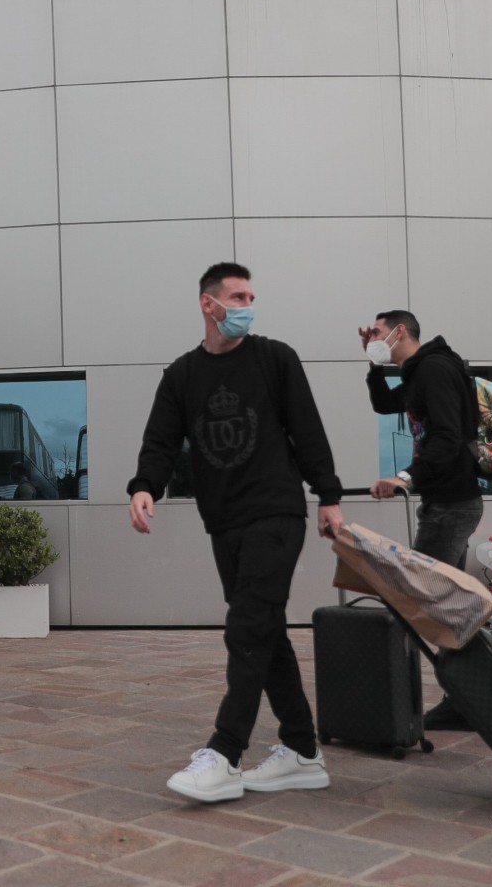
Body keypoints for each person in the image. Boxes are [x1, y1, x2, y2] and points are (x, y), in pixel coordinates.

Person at [128, 262, 344, 802]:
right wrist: (145, 486)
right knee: (264, 630)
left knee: (246, 627)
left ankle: (225, 754)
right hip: (223, 521)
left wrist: (328, 496)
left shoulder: (275, 358)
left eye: (251, 297)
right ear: (209, 304)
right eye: (239, 297)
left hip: (276, 512)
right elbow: (161, 440)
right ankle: (302, 751)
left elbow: (308, 429)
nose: (248, 306)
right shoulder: (182, 375)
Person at [359, 310, 483, 730]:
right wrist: (373, 364)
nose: (372, 338)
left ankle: (423, 700)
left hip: (451, 506)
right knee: (448, 603)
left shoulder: (433, 370)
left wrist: (405, 477)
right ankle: (469, 695)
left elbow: (448, 436)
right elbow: (384, 404)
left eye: (377, 333)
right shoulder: (418, 373)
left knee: (416, 600)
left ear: (399, 332)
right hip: (447, 503)